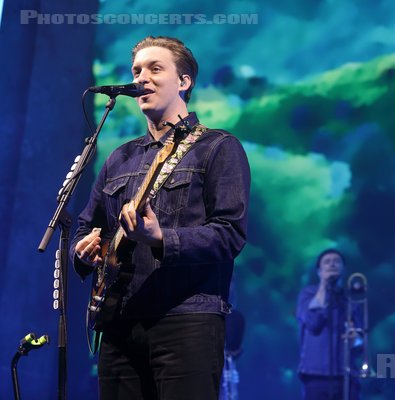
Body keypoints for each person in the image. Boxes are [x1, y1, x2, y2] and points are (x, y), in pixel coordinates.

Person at [70, 36, 250, 400]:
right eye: (137, 71)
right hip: (119, 322)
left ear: (184, 82)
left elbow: (230, 235)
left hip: (187, 319)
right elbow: (88, 225)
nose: (142, 78)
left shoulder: (217, 147)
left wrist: (161, 238)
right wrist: (83, 249)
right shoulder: (119, 158)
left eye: (155, 69)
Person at [296, 248, 361, 400]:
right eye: (327, 262)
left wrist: (355, 339)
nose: (332, 264)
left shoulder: (351, 298)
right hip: (316, 375)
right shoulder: (308, 294)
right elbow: (313, 323)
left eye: (336, 261)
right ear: (319, 271)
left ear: (343, 269)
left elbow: (360, 337)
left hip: (347, 375)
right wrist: (324, 285)